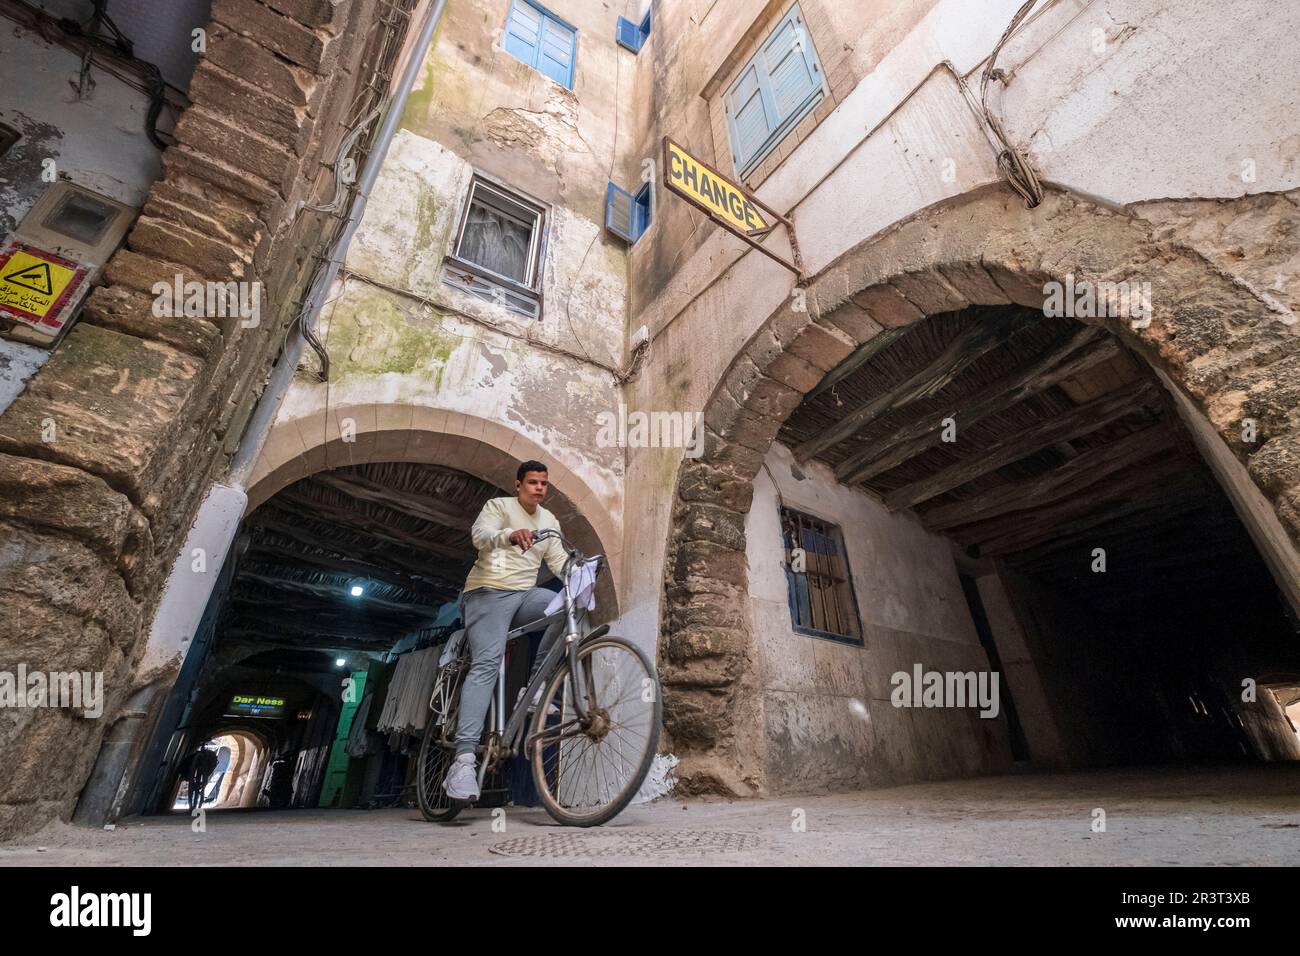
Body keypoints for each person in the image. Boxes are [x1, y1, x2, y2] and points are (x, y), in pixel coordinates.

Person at [444, 460, 572, 802]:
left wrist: (580, 569)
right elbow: (480, 536)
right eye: (533, 482)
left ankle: (533, 687)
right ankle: (464, 760)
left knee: (565, 605)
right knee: (487, 662)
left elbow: (558, 562)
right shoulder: (499, 507)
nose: (539, 488)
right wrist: (508, 535)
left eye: (544, 483)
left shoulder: (549, 521)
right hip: (487, 591)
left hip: (524, 595)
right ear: (519, 485)